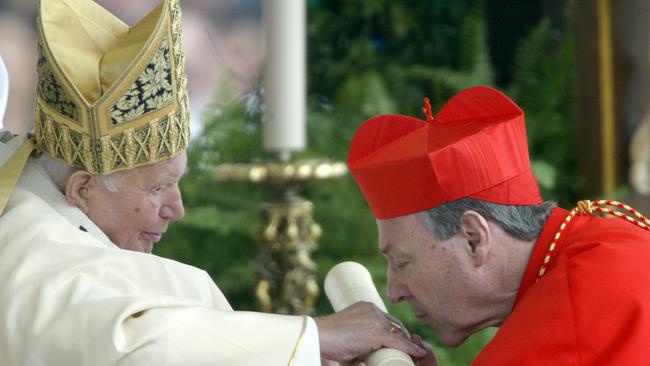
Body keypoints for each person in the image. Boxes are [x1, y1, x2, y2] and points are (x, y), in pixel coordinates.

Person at [0, 0, 429, 365]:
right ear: (81, 189)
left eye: (176, 184)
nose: (178, 209)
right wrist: (315, 336)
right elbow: (136, 346)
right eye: (156, 188)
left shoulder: (34, 180)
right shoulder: (30, 247)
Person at [347, 85, 650, 365]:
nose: (394, 292)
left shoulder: (575, 305)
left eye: (402, 262)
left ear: (474, 238)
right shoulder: (600, 243)